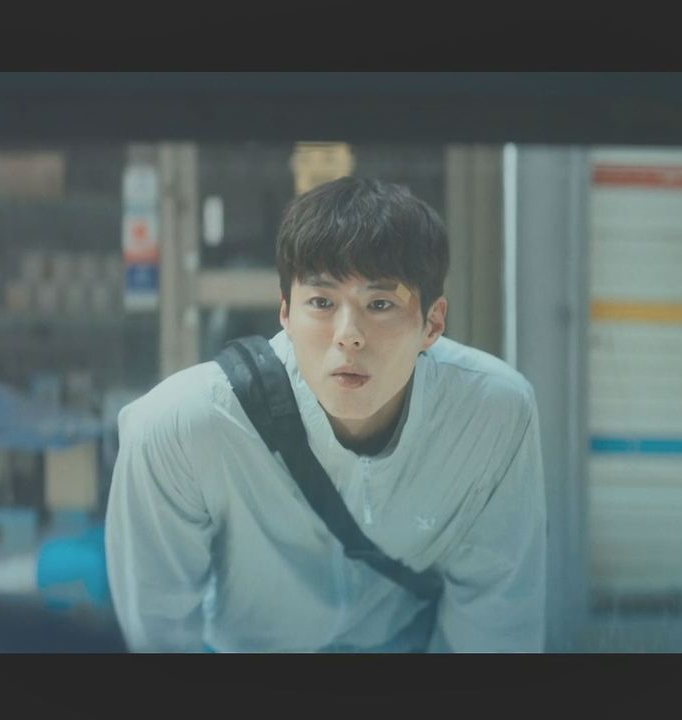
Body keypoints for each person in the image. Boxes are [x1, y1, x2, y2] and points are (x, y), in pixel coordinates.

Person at [105, 177, 545, 652]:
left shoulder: (490, 413)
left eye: (380, 304)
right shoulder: (182, 426)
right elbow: (159, 633)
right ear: (286, 313)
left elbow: (494, 622)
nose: (348, 335)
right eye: (321, 302)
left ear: (432, 323)